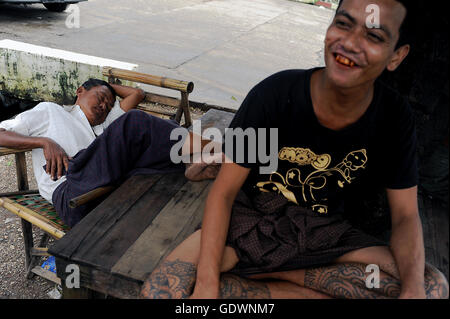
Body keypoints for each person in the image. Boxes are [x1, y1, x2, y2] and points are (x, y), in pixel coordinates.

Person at [140, 0, 448, 299]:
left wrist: (412, 291)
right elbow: (223, 193)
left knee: (430, 285)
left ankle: (267, 276)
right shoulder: (273, 95)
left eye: (374, 36)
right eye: (343, 23)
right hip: (250, 225)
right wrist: (208, 283)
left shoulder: (394, 118)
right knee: (161, 292)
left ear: (397, 56)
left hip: (325, 237)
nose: (351, 43)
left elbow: (406, 215)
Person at [0, 79, 218, 227]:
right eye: (101, 97)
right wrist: (43, 141)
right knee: (136, 120)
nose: (105, 105)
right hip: (73, 193)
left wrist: (106, 86)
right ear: (80, 91)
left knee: (153, 148)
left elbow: (137, 93)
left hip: (108, 188)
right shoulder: (51, 111)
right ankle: (219, 149)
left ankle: (194, 165)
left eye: (110, 103)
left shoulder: (106, 127)